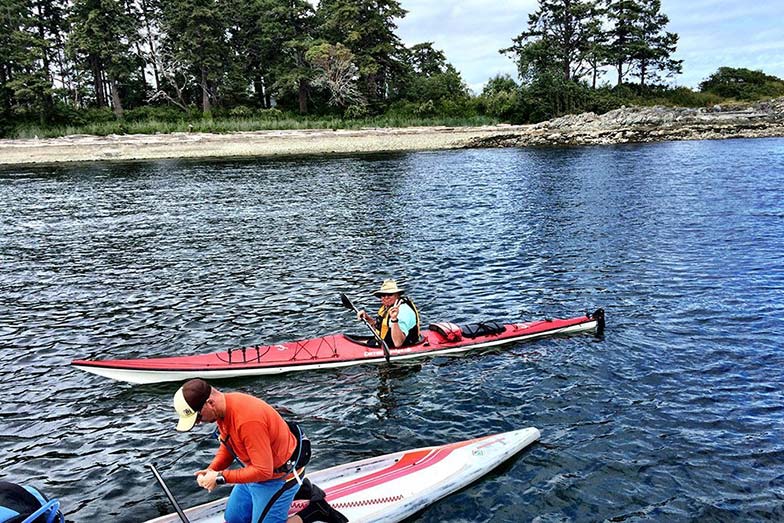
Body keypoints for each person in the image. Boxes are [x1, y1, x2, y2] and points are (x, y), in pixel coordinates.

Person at [173, 379, 307, 523]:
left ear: (210, 403)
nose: (198, 422)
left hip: (280, 477)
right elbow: (228, 446)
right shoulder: (223, 410)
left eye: (198, 417)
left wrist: (220, 477)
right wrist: (212, 470)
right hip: (254, 471)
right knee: (234, 519)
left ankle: (313, 512)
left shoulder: (248, 421)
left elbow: (264, 471)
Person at [357, 279, 421, 348]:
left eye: (390, 294)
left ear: (397, 295)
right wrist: (367, 318)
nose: (386, 297)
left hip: (400, 347)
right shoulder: (387, 307)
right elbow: (382, 329)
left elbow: (398, 343)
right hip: (383, 343)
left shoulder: (403, 311)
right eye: (383, 295)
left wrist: (394, 319)